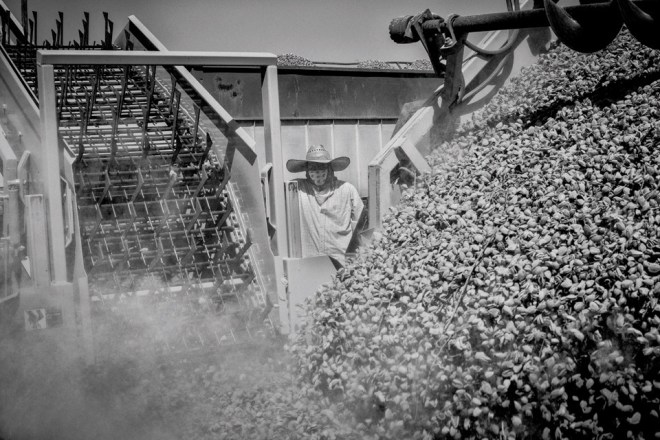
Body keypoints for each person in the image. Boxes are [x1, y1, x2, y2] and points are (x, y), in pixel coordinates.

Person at [286, 145, 364, 267]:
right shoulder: (297, 189)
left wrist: (357, 258)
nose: (318, 172)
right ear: (307, 170)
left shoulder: (347, 190)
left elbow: (363, 225)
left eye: (322, 167)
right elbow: (274, 196)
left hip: (341, 263)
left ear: (330, 168)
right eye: (313, 167)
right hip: (310, 264)